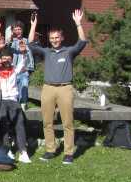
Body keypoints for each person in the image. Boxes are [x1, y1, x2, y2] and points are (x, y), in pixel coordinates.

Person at [28, 9, 87, 165]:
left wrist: (78, 24)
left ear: (62, 38)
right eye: (52, 38)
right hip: (48, 88)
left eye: (56, 37)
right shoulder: (46, 52)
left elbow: (82, 42)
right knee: (47, 122)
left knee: (67, 122)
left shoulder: (69, 52)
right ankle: (50, 150)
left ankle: (68, 153)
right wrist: (33, 25)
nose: (54, 40)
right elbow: (30, 44)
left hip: (65, 89)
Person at [0, 46, 31, 163]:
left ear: (12, 59)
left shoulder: (14, 69)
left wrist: (24, 53)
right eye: (4, 58)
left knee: (20, 122)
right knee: (3, 122)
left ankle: (23, 151)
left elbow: (24, 63)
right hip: (0, 100)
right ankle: (7, 150)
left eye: (9, 58)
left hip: (13, 100)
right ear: (0, 59)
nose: (6, 60)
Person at [9, 20, 35, 110]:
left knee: (24, 86)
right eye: (15, 29)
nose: (18, 31)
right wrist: (12, 37)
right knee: (15, 89)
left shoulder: (27, 41)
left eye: (19, 29)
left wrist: (28, 68)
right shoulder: (12, 42)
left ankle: (23, 104)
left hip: (24, 70)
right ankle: (16, 106)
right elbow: (7, 46)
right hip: (14, 71)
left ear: (22, 30)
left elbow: (30, 52)